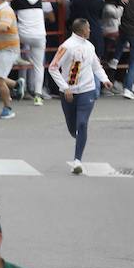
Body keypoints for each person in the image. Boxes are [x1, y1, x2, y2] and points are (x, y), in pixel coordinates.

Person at [47, 18, 110, 174]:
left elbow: (96, 65)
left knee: (82, 124)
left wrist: (105, 79)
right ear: (82, 30)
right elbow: (53, 67)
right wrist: (65, 87)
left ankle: (77, 161)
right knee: (72, 127)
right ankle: (80, 138)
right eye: (88, 28)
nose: (90, 30)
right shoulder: (66, 46)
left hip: (87, 90)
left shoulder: (90, 46)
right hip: (69, 92)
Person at [13, 0, 50, 105]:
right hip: (40, 35)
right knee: (39, 66)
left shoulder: (18, 0)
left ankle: (16, 55)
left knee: (13, 29)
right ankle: (38, 95)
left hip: (23, 35)